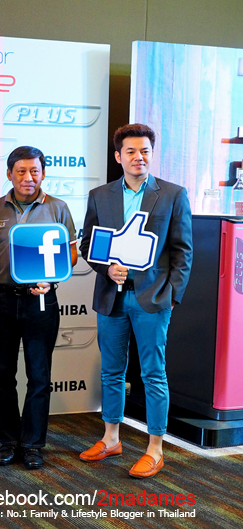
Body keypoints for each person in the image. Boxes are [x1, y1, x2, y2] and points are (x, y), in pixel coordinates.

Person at [78, 124, 192, 478]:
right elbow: (88, 245)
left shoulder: (172, 194)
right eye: (131, 151)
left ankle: (155, 448)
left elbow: (182, 251)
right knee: (111, 371)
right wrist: (106, 268)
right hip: (111, 297)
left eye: (144, 151)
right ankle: (111, 438)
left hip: (151, 299)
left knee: (153, 373)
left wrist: (171, 296)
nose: (138, 157)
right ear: (118, 156)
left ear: (151, 154)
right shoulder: (100, 195)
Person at [0, 146, 77, 470]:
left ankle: (33, 444)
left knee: (39, 376)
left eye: (35, 171)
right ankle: (8, 442)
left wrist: (51, 278)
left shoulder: (58, 208)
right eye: (21, 171)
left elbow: (72, 254)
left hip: (41, 301)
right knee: (3, 376)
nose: (28, 177)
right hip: (2, 299)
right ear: (9, 174)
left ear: (43, 173)